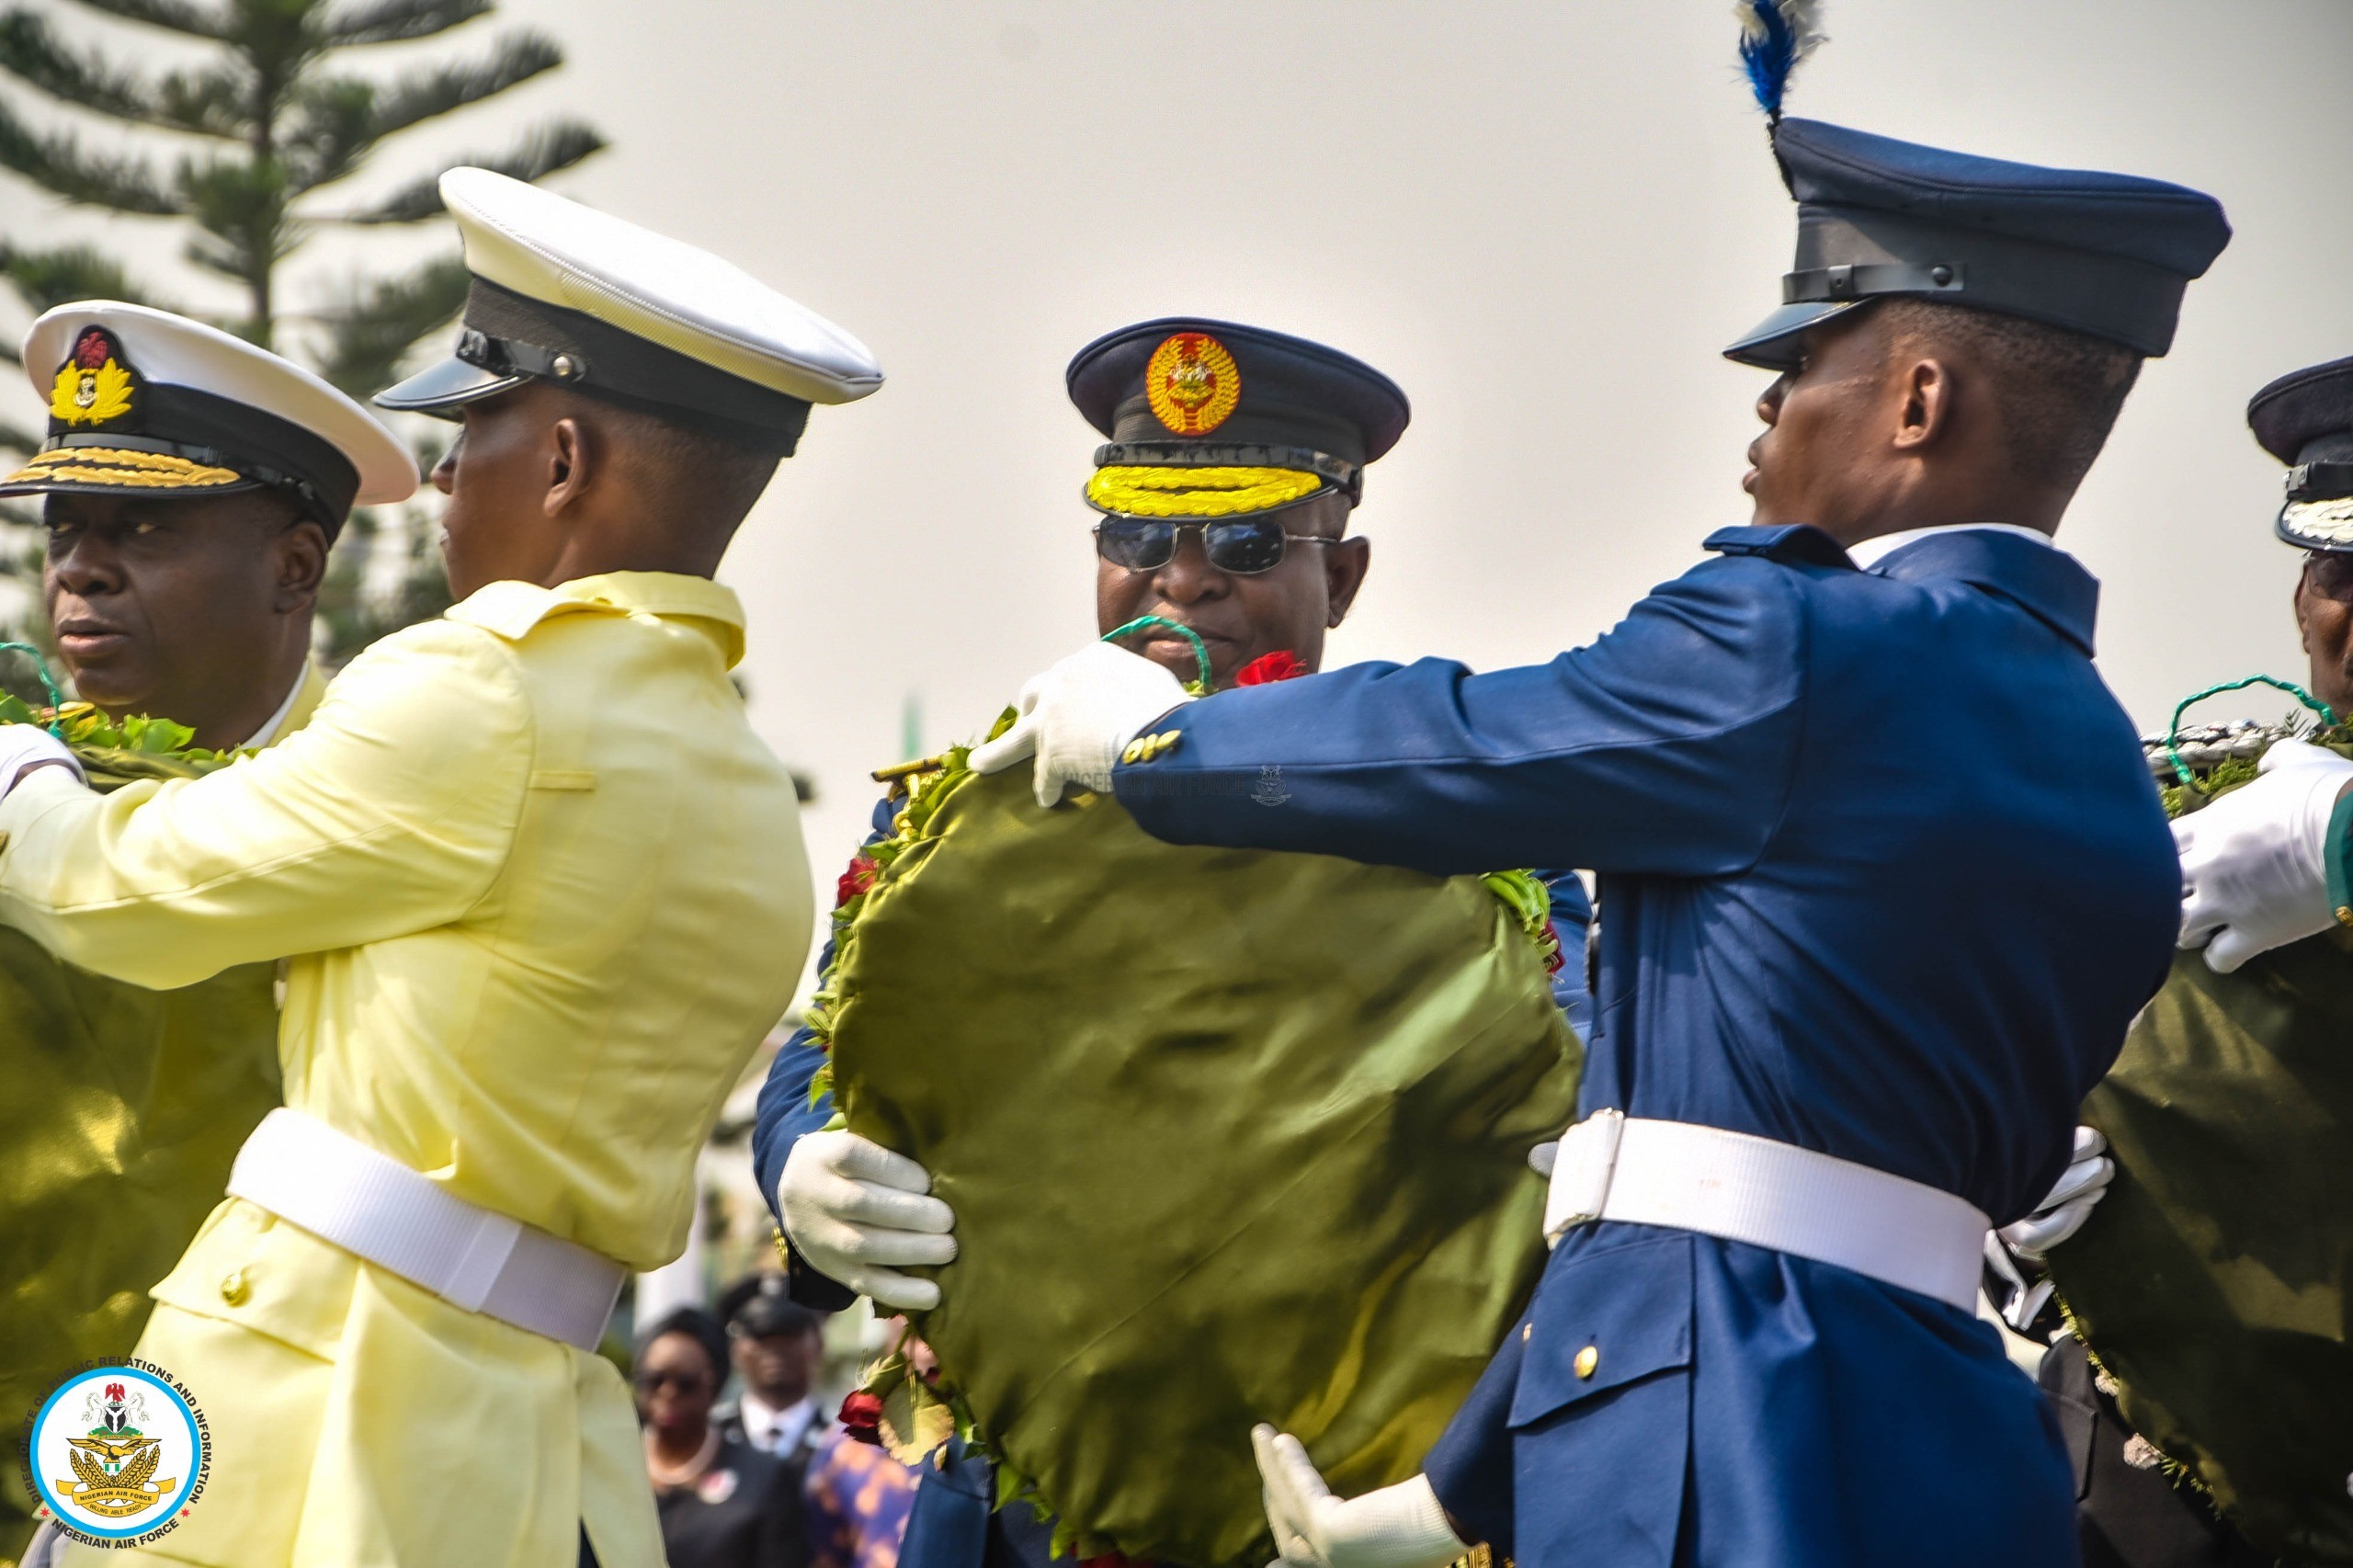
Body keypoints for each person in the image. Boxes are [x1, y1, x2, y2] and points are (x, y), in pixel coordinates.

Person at [967, 119, 2229, 1568]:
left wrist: (1155, 745)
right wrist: (1455, 1494)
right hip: (1933, 1435)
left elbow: (1469, 744)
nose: (1765, 417)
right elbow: (1701, 1160)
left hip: (1734, 1443)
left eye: (1802, 365)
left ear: (1919, 398)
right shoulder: (2094, 749)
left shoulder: (1796, 639)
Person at [0, 166, 881, 1568]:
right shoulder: (730, 775)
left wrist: (17, 771)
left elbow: (118, 896)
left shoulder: (483, 688)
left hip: (306, 1398)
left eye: (474, 426)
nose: (450, 474)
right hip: (524, 1426)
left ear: (567, 462)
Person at [754, 319, 1593, 1568]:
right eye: (1137, 537)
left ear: (1345, 578)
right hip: (1015, 1509)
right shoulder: (971, 817)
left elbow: (1547, 1103)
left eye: (1247, 543)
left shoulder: (1480, 856)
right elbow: (830, 1041)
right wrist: (799, 1164)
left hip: (1301, 1504)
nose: (1181, 580)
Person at [0, 301, 415, 1562]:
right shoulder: (22, 771)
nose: (82, 567)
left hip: (280, 1492)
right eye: (67, 529)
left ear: (297, 566)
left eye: (147, 528)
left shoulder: (407, 802)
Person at [2002, 355, 2353, 1568]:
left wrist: (2343, 846)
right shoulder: (2195, 820)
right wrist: (1982, 1162)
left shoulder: (2303, 828)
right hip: (2155, 1474)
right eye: (2343, 570)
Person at [638, 1307, 812, 1568]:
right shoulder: (605, 1467)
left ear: (714, 1384)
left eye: (686, 1383)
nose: (668, 1393)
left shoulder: (765, 1478)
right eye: (655, 1380)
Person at [803, 1321, 929, 1568]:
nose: (929, 1352)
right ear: (894, 1342)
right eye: (916, 1336)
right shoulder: (851, 1443)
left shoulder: (994, 1438)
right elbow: (824, 1551)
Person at [715, 1274, 829, 1463]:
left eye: (790, 1334)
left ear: (819, 1345)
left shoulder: (847, 1442)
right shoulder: (709, 1440)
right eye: (760, 1336)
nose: (776, 1348)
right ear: (734, 1349)